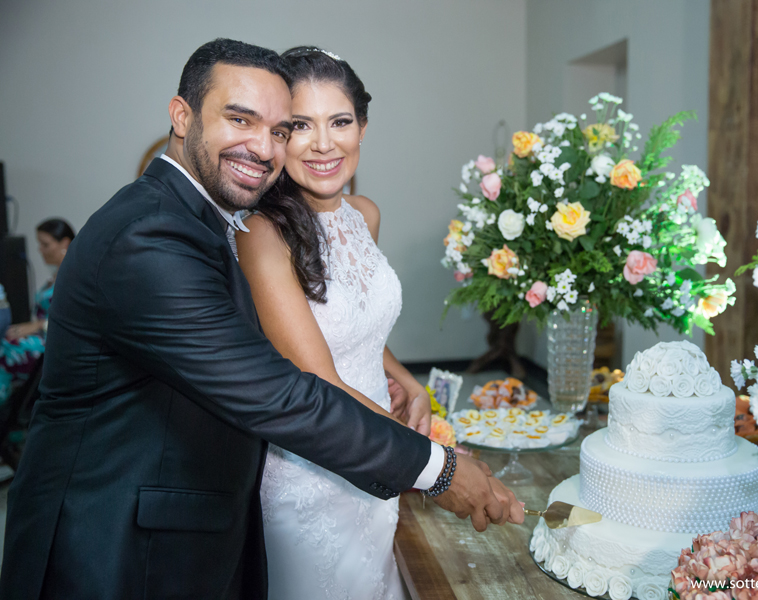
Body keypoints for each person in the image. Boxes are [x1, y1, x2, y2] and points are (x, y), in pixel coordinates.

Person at [0, 38, 522, 600]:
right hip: (115, 543)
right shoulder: (150, 235)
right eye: (240, 119)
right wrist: (436, 469)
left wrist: (393, 373)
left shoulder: (200, 215)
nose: (264, 146)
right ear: (182, 115)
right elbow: (280, 393)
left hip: (191, 517)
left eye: (277, 129)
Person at [236, 47, 431, 599]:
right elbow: (316, 375)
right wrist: (435, 466)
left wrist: (408, 380)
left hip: (378, 466)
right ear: (277, 135)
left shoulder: (365, 214)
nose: (324, 144)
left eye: (340, 122)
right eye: (300, 126)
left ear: (362, 128)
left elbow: (359, 321)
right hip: (308, 477)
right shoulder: (261, 235)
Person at [0, 219, 74, 401]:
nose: (40, 250)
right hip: (43, 341)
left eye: (45, 244)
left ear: (65, 243)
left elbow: (75, 319)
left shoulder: (74, 278)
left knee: (6, 348)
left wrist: (39, 325)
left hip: (56, 346)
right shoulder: (55, 278)